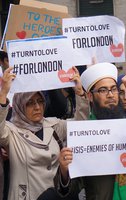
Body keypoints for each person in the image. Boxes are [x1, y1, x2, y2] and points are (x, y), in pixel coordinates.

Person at [55, 63, 126, 200]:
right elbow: (72, 188)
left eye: (114, 89)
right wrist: (64, 170)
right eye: (103, 90)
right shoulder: (82, 134)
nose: (110, 95)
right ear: (90, 96)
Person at [0, 66, 87, 199]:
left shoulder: (53, 125)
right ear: (19, 105)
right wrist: (3, 93)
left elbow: (81, 127)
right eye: (30, 103)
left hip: (56, 196)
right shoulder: (11, 132)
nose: (37, 107)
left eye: (40, 101)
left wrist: (80, 93)